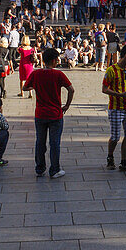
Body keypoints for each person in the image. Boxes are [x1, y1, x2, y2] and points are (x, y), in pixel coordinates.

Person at [24, 47, 74, 178]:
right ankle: (54, 170)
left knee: (40, 142)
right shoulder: (58, 74)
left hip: (40, 113)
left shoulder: (36, 74)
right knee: (54, 143)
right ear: (53, 60)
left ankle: (40, 169)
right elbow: (71, 89)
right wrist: (67, 105)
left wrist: (36, 86)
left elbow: (25, 87)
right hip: (55, 114)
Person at [102, 43, 126, 172]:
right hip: (116, 108)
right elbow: (104, 89)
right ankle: (110, 156)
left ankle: (124, 162)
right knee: (115, 137)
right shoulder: (111, 70)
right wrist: (119, 95)